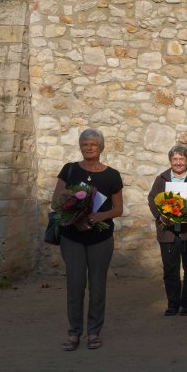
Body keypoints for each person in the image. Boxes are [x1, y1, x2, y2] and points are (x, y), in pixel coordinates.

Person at [51, 128, 124, 351]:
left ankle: (93, 333)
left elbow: (118, 209)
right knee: (75, 284)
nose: (89, 147)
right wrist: (75, 217)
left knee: (97, 285)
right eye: (85, 144)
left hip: (100, 237)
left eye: (93, 144)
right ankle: (74, 333)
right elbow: (56, 202)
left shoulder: (112, 175)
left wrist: (100, 215)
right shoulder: (70, 170)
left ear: (101, 147)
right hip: (72, 236)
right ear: (80, 147)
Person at [147, 146, 187, 317]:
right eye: (175, 159)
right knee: (171, 269)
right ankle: (173, 303)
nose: (178, 162)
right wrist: (160, 216)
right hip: (168, 232)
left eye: (181, 159)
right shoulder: (161, 179)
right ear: (170, 161)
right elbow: (152, 199)